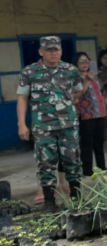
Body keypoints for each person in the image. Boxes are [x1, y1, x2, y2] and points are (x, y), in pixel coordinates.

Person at [16, 36, 84, 210]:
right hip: (43, 127)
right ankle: (50, 202)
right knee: (45, 163)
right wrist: (22, 124)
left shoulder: (70, 70)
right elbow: (22, 98)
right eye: (49, 50)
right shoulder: (29, 72)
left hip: (68, 125)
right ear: (41, 52)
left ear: (61, 51)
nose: (53, 53)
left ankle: (77, 200)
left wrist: (66, 103)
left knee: (73, 161)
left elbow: (78, 92)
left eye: (56, 50)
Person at [74, 52, 107, 177]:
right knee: (87, 143)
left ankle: (102, 167)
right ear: (76, 64)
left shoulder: (95, 77)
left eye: (86, 61)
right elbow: (79, 94)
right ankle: (87, 169)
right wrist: (87, 80)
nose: (84, 64)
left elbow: (103, 94)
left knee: (99, 141)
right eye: (81, 61)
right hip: (86, 115)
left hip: (100, 113)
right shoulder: (75, 78)